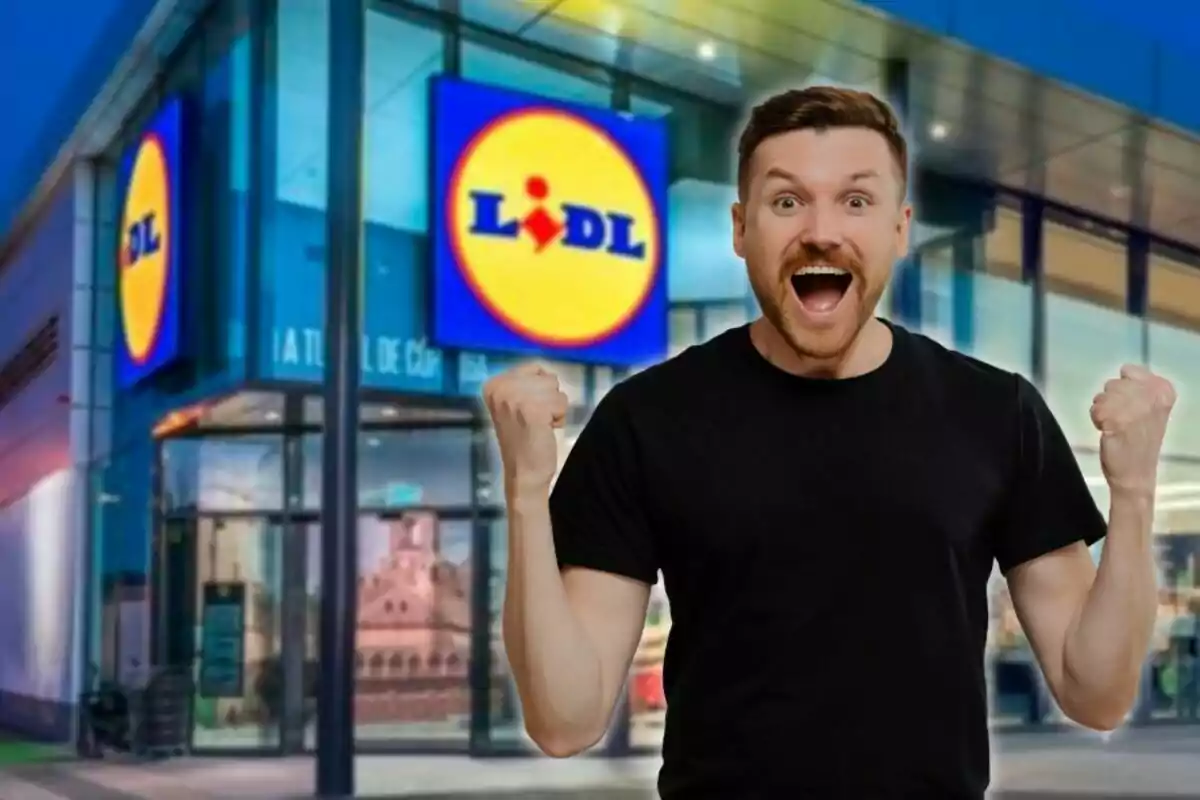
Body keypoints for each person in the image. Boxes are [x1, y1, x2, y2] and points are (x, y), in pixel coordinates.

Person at [483, 86, 1175, 798]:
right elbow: (565, 720)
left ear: (900, 228)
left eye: (856, 201)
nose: (820, 231)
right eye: (786, 202)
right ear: (740, 228)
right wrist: (527, 495)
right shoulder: (647, 419)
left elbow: (1097, 694)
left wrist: (1134, 493)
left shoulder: (996, 412)